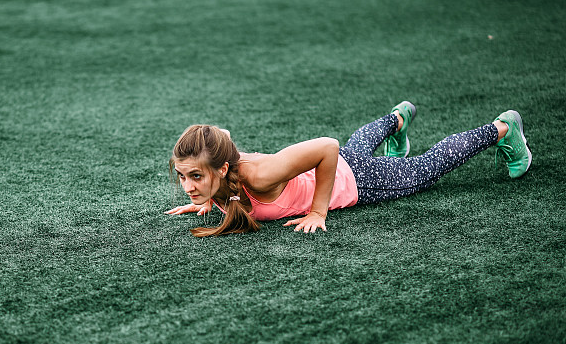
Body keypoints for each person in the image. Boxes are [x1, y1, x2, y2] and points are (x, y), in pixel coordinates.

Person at [165, 102, 532, 236]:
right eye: (184, 177)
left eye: (196, 176)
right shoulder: (222, 170)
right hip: (345, 165)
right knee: (358, 147)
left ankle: (502, 129)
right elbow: (222, 136)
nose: (187, 185)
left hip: (357, 181)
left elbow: (327, 147)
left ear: (223, 166)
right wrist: (206, 198)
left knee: (425, 169)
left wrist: (318, 210)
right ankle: (397, 119)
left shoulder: (260, 175)